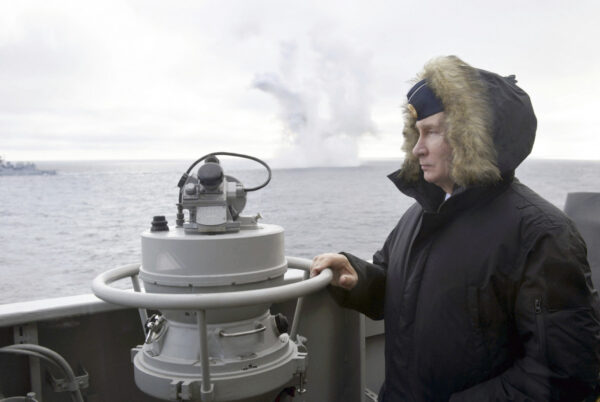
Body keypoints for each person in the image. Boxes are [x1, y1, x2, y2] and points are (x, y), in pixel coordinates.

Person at [310, 55, 600, 401]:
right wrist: (358, 277)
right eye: (417, 133)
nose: (417, 149)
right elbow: (400, 287)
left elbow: (562, 375)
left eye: (432, 132)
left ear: (473, 136)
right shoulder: (420, 214)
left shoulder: (541, 234)